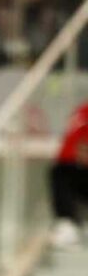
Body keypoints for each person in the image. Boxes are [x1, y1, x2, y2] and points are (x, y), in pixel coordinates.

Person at [48, 102, 88, 248]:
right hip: (76, 172)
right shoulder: (82, 112)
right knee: (61, 172)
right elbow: (67, 154)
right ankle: (67, 225)